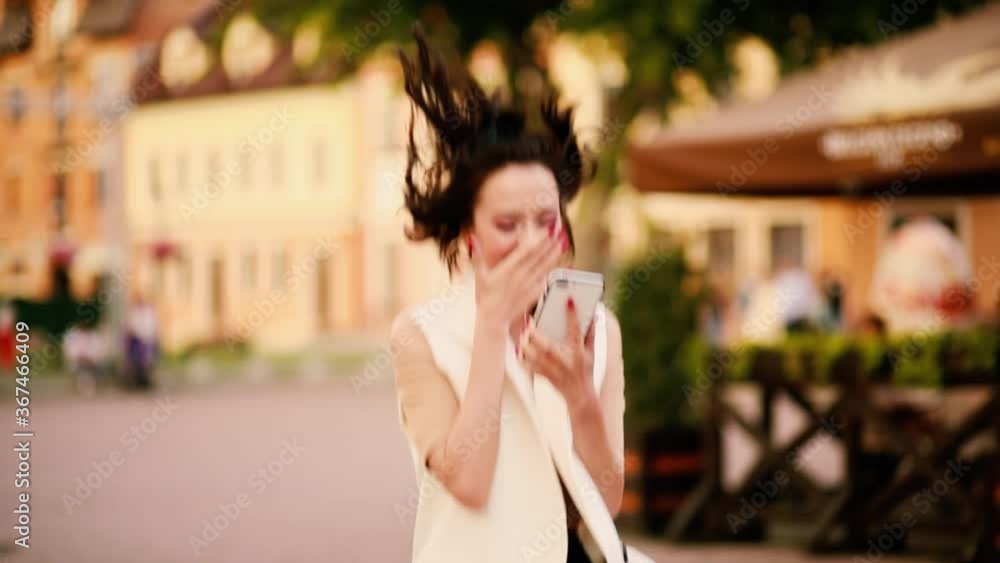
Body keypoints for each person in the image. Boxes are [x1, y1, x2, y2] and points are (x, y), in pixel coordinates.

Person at [389, 28, 647, 563]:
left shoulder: (598, 328)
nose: (531, 241)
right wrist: (490, 330)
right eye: (507, 224)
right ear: (470, 235)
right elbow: (469, 482)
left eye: (545, 220)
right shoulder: (422, 335)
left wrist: (580, 396)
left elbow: (606, 502)